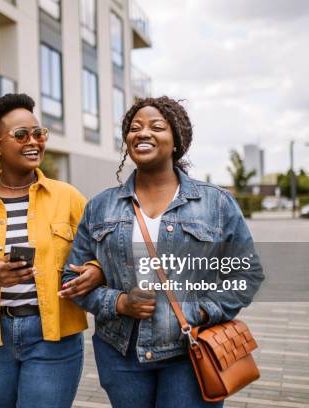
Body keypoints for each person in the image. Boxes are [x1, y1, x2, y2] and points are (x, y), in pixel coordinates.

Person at [60, 96, 264, 408]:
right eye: (134, 128)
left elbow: (246, 275)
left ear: (176, 140)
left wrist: (203, 311)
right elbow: (70, 280)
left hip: (190, 351)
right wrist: (119, 302)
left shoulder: (216, 204)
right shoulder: (101, 206)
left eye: (157, 127)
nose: (142, 133)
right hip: (121, 354)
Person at [0, 93, 104, 408]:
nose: (34, 141)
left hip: (54, 337)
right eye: (21, 134)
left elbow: (103, 251)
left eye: (38, 133)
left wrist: (97, 270)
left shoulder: (69, 198)